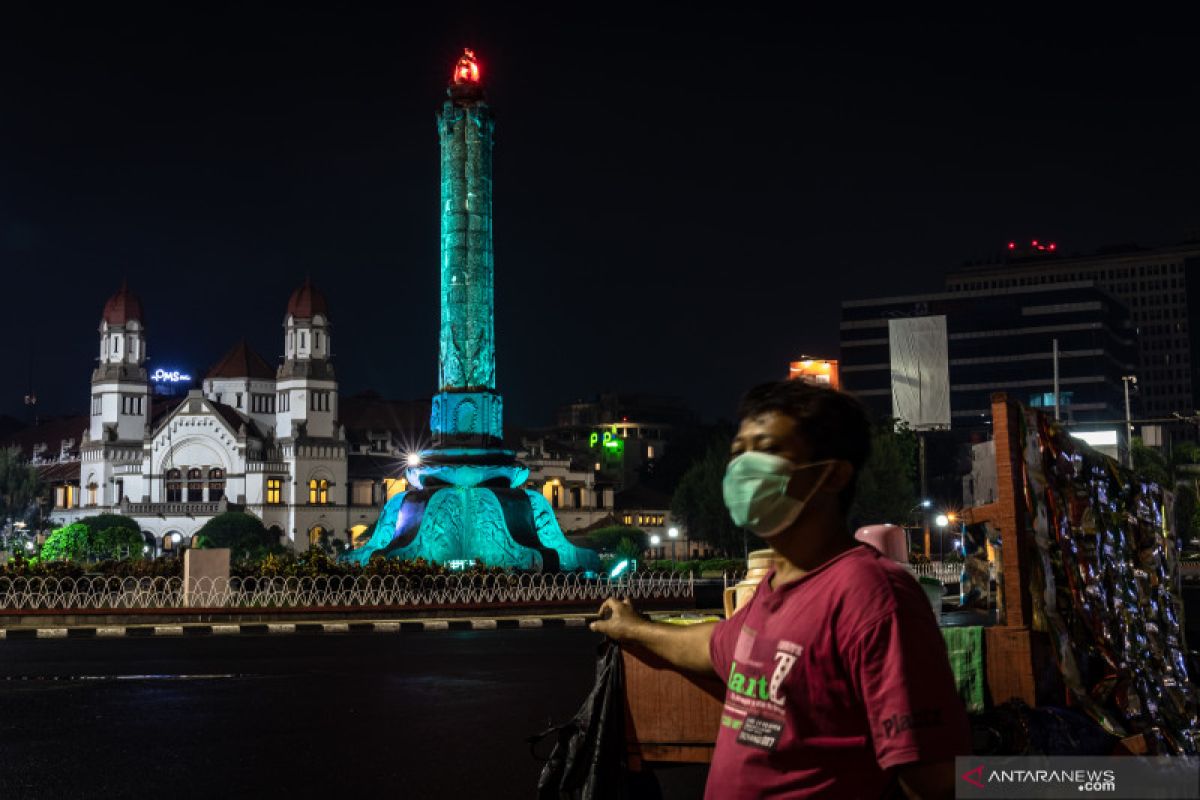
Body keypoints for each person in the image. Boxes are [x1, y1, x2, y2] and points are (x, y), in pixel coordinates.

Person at [591, 381, 969, 799]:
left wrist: (1048, 779)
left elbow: (938, 779)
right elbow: (715, 645)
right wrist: (633, 628)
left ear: (833, 473)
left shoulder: (873, 596)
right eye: (739, 452)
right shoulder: (776, 585)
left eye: (767, 449)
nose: (743, 468)